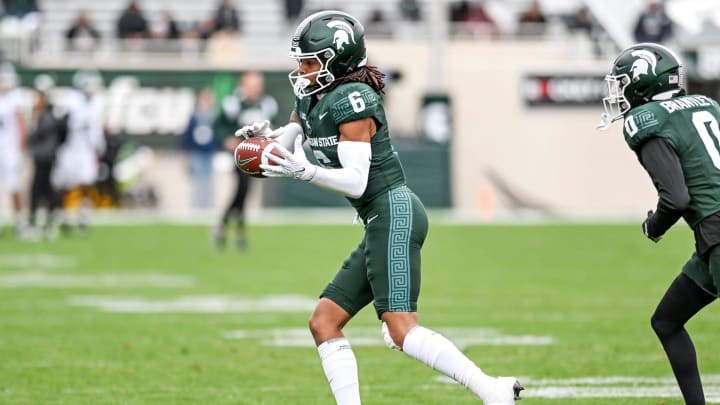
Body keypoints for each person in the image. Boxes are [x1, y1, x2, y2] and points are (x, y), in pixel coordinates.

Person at [234, 10, 522, 404]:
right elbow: (289, 141)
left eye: (309, 61)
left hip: (394, 211)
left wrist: (303, 172)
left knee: (401, 330)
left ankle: (493, 390)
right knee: (324, 321)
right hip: (378, 218)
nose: (301, 69)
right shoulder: (311, 94)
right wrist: (264, 143)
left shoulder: (354, 100)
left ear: (336, 59)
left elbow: (356, 179)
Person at [597, 42, 720, 404]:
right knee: (666, 320)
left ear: (642, 82)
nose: (619, 92)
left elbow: (677, 198)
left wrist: (655, 226)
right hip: (710, 237)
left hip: (717, 230)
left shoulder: (647, 118)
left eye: (622, 82)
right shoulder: (707, 104)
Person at [213, 71, 278, 250]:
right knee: (243, 189)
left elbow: (272, 126)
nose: (254, 89)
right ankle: (238, 231)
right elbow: (218, 126)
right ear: (242, 85)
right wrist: (227, 139)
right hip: (239, 154)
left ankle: (224, 224)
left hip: (258, 155)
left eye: (257, 85)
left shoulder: (266, 104)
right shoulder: (232, 104)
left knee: (242, 192)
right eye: (251, 85)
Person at [51, 69, 106, 236]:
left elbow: (96, 127)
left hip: (87, 150)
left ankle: (83, 217)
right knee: (65, 184)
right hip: (70, 149)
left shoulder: (97, 102)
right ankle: (64, 216)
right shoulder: (70, 100)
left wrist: (99, 145)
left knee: (88, 183)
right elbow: (60, 125)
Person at [27, 74, 67, 238]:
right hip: (42, 154)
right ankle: (40, 221)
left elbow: (58, 133)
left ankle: (47, 221)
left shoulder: (50, 112)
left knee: (43, 189)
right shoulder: (42, 111)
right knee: (40, 189)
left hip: (46, 155)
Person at [0, 62, 28, 237]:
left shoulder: (15, 98)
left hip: (10, 149)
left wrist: (21, 148)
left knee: (14, 186)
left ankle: (20, 223)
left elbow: (21, 124)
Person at [181, 87, 219, 210]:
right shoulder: (195, 116)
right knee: (198, 180)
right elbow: (188, 137)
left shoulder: (214, 116)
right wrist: (186, 155)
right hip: (197, 153)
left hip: (209, 153)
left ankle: (208, 207)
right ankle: (196, 207)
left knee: (209, 181)